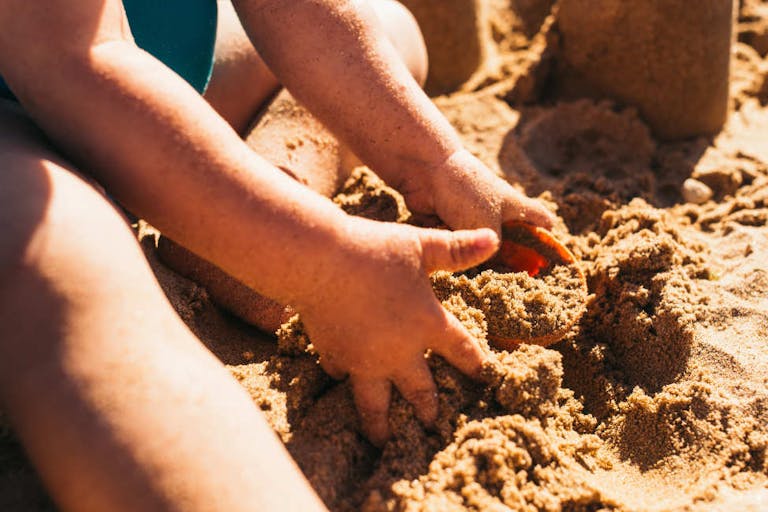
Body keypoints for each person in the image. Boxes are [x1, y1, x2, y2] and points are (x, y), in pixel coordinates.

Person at [0, 0, 554, 509]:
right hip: (34, 100)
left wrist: (435, 162)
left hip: (145, 58)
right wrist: (322, 265)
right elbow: (76, 62)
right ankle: (246, 229)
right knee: (69, 279)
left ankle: (255, 209)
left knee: (386, 24)